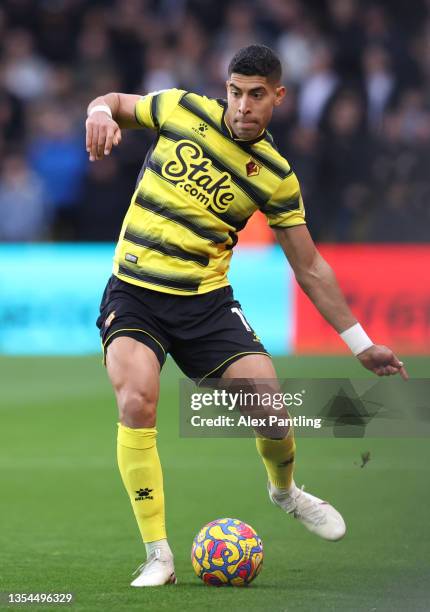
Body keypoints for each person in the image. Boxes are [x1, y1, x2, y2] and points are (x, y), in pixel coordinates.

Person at [85, 45, 408, 587]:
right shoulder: (181, 108)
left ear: (278, 96)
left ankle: (285, 491)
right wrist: (98, 113)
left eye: (256, 95)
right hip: (135, 293)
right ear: (225, 88)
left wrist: (360, 343)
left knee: (272, 412)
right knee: (137, 399)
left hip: (205, 303)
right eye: (235, 92)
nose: (241, 106)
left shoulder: (277, 176)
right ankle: (159, 554)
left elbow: (309, 267)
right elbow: (114, 101)